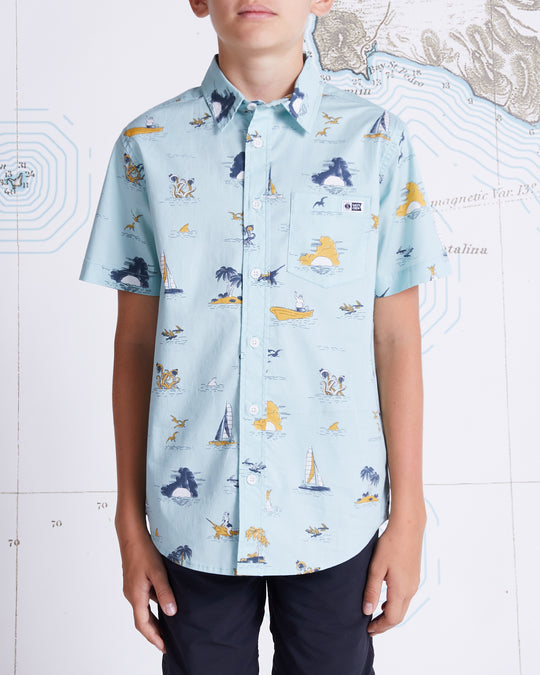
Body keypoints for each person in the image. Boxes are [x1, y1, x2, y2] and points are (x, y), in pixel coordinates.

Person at [80, 1, 451, 673]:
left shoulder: (377, 142)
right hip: (193, 520)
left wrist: (410, 515)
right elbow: (134, 346)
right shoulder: (147, 146)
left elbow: (397, 339)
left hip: (338, 517)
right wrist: (129, 523)